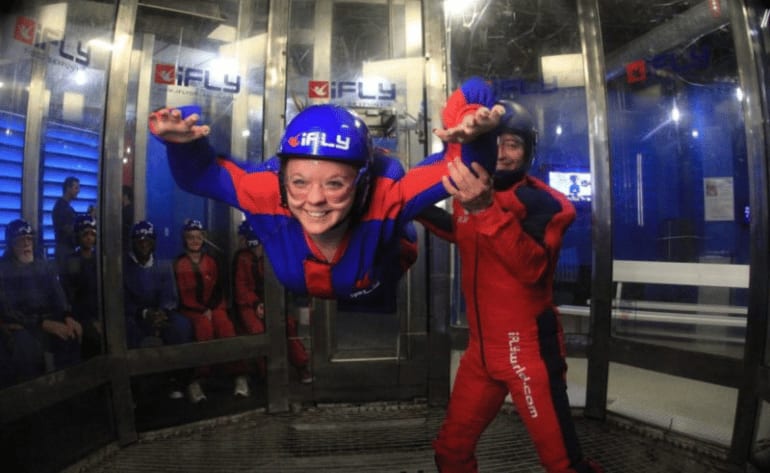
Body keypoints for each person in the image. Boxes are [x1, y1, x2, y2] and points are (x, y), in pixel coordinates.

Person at [147, 77, 502, 311]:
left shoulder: (385, 195)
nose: (314, 200)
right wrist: (185, 140)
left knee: (403, 221)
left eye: (335, 183)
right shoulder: (265, 190)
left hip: (386, 262)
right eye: (299, 182)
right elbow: (200, 175)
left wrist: (471, 122)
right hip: (330, 273)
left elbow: (466, 165)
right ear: (283, 177)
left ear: (363, 183)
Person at [420, 102, 603, 473]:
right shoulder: (469, 192)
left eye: (512, 144)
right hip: (480, 355)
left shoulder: (549, 204)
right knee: (450, 451)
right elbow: (461, 231)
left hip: (529, 354)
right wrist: (410, 206)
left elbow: (533, 268)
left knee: (564, 464)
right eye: (493, 143)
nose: (501, 154)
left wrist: (485, 207)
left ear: (528, 150)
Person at [173, 219, 250, 402]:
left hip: (214, 306)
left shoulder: (212, 261)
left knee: (226, 328)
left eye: (198, 237)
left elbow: (219, 287)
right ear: (185, 239)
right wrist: (201, 310)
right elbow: (180, 294)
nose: (195, 241)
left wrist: (211, 308)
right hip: (191, 310)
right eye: (190, 237)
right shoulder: (179, 263)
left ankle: (239, 375)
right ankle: (197, 380)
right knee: (203, 330)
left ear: (203, 238)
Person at [0, 219, 81, 388]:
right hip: (23, 325)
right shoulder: (3, 269)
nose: (26, 244)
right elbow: (7, 309)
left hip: (49, 320)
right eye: (20, 240)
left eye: (29, 239)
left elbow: (57, 293)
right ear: (11, 244)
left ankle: (68, 395)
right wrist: (41, 323)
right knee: (26, 351)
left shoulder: (43, 265)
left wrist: (67, 316)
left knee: (71, 336)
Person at [232, 221, 312, 383]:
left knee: (287, 325)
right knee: (257, 330)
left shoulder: (273, 255)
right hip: (248, 305)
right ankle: (267, 373)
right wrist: (256, 304)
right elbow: (241, 288)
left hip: (271, 301)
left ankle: (301, 365)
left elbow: (280, 282)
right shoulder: (241, 258)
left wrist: (270, 303)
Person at [124, 220, 194, 398]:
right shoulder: (124, 268)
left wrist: (162, 312)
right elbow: (122, 300)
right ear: (132, 242)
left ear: (154, 242)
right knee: (128, 333)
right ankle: (134, 389)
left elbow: (170, 296)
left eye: (148, 239)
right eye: (139, 240)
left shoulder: (162, 265)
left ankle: (178, 382)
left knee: (182, 326)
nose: (144, 243)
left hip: (161, 314)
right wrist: (145, 313)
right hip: (135, 316)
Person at [60, 214, 102, 359]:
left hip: (100, 313)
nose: (89, 238)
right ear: (78, 236)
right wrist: (91, 321)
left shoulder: (100, 259)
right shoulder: (73, 261)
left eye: (93, 234)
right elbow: (72, 294)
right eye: (85, 234)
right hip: (80, 315)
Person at [52, 176, 81, 267]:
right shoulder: (62, 207)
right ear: (68, 188)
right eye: (76, 188)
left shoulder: (65, 206)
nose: (78, 191)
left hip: (66, 250)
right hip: (65, 251)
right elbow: (67, 229)